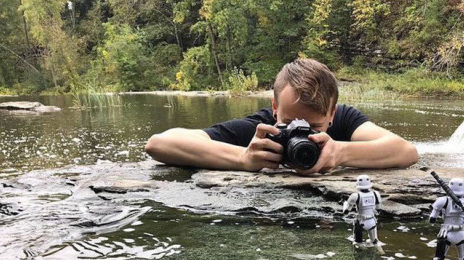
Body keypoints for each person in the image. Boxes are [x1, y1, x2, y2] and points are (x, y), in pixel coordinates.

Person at [145, 58, 418, 174]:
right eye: (289, 123)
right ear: (274, 108)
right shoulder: (262, 132)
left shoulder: (344, 120)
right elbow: (159, 144)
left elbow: (406, 151)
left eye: (313, 126)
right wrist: (243, 158)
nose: (301, 133)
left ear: (332, 113)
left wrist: (340, 153)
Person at [343, 174, 383, 245]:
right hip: (371, 220)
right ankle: (376, 246)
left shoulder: (355, 195)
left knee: (357, 242)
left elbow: (346, 211)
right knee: (374, 241)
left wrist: (345, 207)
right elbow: (379, 209)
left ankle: (359, 250)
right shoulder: (375, 194)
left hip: (360, 221)